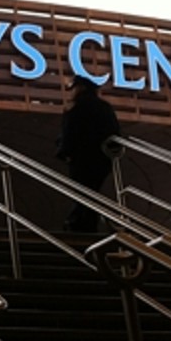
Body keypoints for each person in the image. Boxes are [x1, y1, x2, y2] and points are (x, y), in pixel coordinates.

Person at [56, 75, 121, 232]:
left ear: (80, 88)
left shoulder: (76, 107)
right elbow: (114, 132)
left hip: (81, 158)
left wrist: (64, 151)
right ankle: (84, 223)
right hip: (101, 159)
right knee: (91, 191)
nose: (70, 92)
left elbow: (70, 132)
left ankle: (78, 222)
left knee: (82, 192)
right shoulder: (104, 107)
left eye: (72, 88)